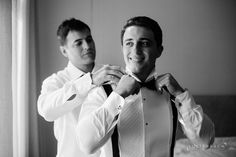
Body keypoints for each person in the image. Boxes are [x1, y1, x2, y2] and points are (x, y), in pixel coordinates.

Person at [77, 16, 215, 157]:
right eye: (129, 43)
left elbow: (205, 142)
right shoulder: (102, 92)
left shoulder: (174, 96)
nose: (135, 50)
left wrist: (181, 95)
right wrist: (117, 96)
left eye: (145, 43)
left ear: (159, 50)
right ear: (122, 48)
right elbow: (86, 145)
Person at [37, 18, 125, 157]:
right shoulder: (55, 82)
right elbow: (46, 111)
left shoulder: (113, 74)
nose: (87, 46)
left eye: (89, 40)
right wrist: (90, 81)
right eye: (78, 43)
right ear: (64, 51)